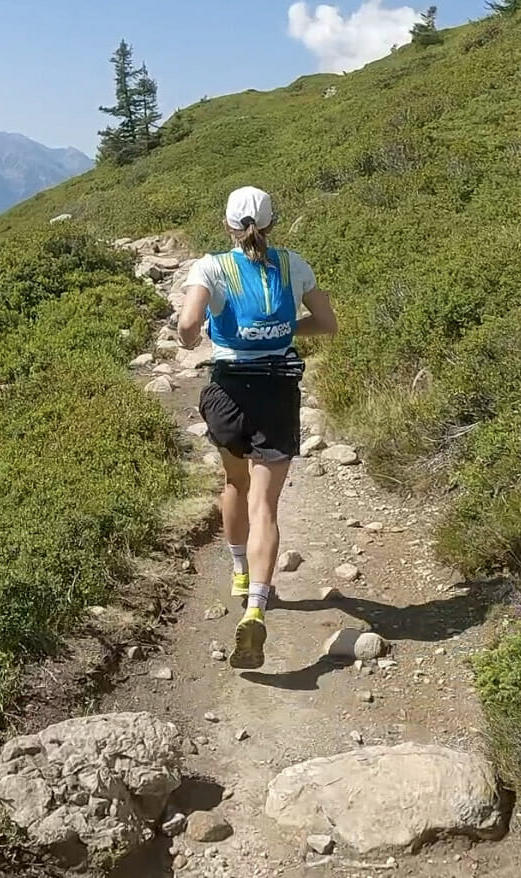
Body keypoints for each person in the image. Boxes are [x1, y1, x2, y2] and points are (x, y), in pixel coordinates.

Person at [177, 186, 337, 670]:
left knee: (234, 483)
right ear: (271, 224)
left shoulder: (210, 268)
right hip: (276, 392)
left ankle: (240, 572)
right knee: (265, 505)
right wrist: (285, 332)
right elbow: (326, 324)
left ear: (227, 224)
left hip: (227, 392)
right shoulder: (295, 264)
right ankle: (256, 609)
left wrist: (200, 333)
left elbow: (187, 330)